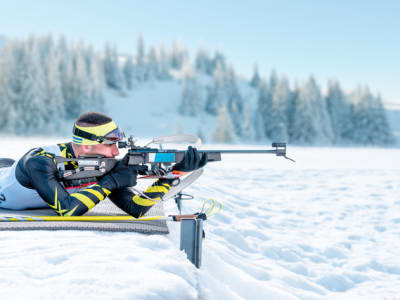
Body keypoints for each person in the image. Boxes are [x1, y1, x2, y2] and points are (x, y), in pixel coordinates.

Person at [0, 112, 207, 217]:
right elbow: (67, 210)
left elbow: (137, 208)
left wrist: (172, 175)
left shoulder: (100, 165)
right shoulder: (39, 161)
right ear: (88, 146)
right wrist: (111, 182)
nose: (117, 152)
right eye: (111, 144)